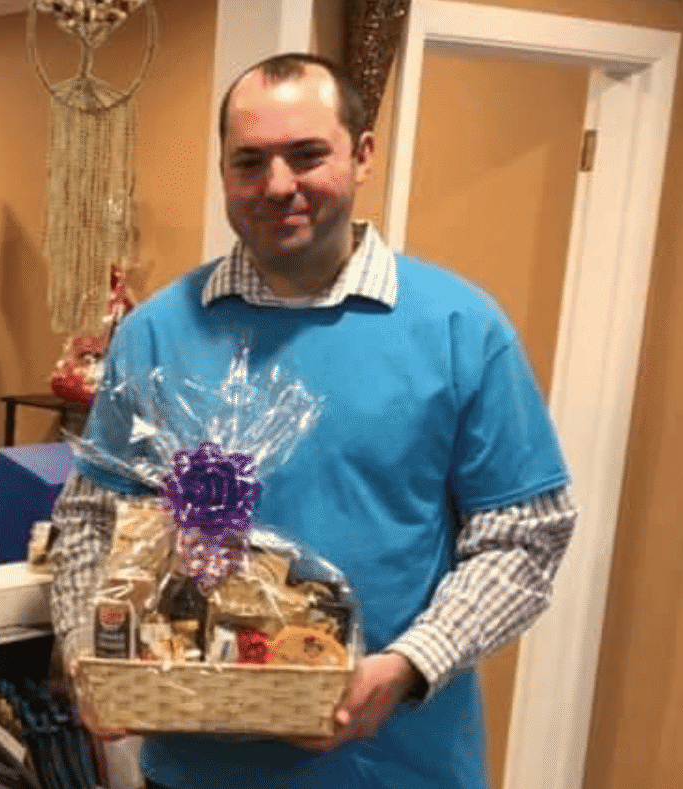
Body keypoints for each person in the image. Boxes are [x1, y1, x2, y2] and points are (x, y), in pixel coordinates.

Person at [49, 52, 576, 789]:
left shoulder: (460, 327)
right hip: (194, 769)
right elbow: (92, 523)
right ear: (224, 170)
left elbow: (525, 534)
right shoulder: (157, 331)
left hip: (399, 765)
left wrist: (410, 663)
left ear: (362, 154)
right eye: (248, 162)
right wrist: (85, 650)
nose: (277, 186)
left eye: (305, 155)